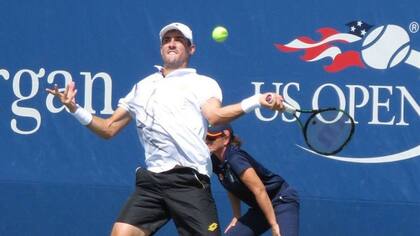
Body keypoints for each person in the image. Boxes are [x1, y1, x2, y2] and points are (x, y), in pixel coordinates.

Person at [46, 22, 286, 236]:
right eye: (167, 40)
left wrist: (256, 101)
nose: (171, 43)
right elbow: (108, 128)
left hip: (189, 182)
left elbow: (214, 116)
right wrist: (74, 108)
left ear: (191, 49)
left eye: (178, 39)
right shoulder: (142, 86)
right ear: (161, 48)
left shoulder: (202, 83)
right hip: (152, 182)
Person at [206, 124, 299, 236]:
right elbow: (230, 187)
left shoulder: (235, 158)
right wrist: (237, 216)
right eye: (206, 138)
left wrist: (274, 225)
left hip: (281, 200)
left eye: (212, 138)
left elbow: (259, 190)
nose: (207, 141)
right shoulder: (215, 161)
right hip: (261, 208)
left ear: (225, 139)